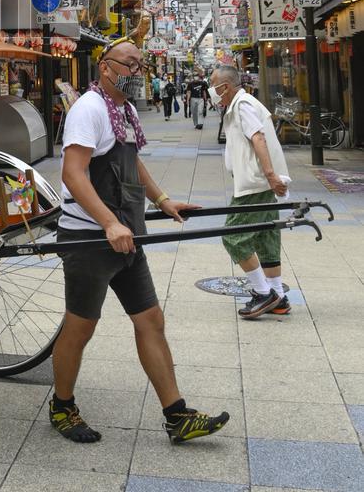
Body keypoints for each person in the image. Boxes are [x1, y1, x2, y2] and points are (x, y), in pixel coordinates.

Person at [50, 37, 230, 444]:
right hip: (89, 238)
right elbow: (73, 174)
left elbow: (131, 163)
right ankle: (61, 406)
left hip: (126, 233)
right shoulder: (89, 110)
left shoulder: (124, 110)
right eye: (129, 64)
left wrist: (163, 200)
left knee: (151, 320)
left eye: (140, 65)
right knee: (81, 326)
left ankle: (177, 415)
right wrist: (109, 224)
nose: (136, 71)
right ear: (105, 67)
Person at [209, 65, 291, 319]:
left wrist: (270, 175)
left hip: (254, 185)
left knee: (233, 236)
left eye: (213, 85)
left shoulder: (243, 104)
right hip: (260, 183)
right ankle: (278, 296)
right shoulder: (242, 104)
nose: (211, 90)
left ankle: (263, 292)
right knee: (265, 237)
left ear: (225, 86)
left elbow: (258, 138)